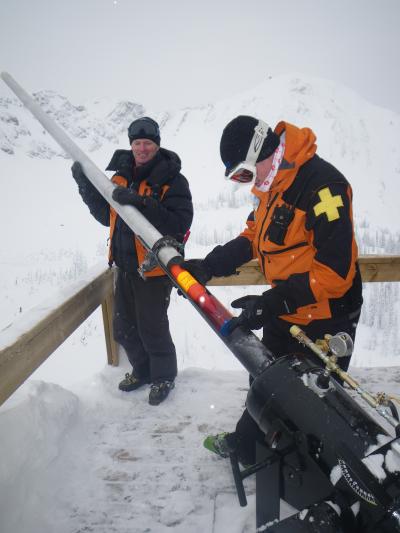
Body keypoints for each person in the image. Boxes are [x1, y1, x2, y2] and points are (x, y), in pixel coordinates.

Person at [182, 115, 363, 465]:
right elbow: (253, 237)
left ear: (262, 153)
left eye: (244, 173)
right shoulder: (271, 188)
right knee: (267, 382)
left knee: (314, 401)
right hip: (288, 306)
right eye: (239, 178)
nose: (247, 183)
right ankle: (247, 445)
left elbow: (335, 273)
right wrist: (209, 266)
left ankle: (323, 472)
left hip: (327, 313)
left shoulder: (323, 187)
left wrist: (273, 301)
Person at [71, 117, 193, 405]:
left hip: (154, 267)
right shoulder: (121, 176)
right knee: (123, 327)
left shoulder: (172, 179)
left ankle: (163, 376)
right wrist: (85, 186)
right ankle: (143, 371)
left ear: (157, 144)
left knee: (152, 326)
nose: (141, 148)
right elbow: (107, 216)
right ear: (131, 145)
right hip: (124, 267)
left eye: (147, 143)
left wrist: (143, 203)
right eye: (137, 143)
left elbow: (179, 223)